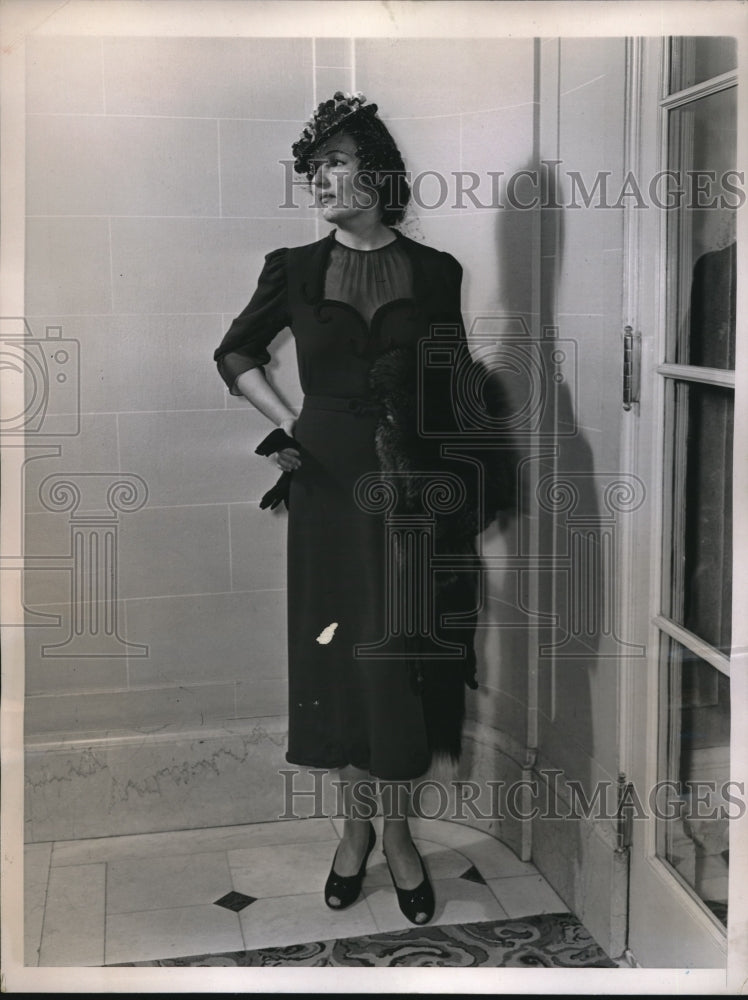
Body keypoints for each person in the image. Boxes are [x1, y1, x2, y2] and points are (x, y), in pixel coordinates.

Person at [214, 92, 513, 925]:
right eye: (312, 169)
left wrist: (460, 478)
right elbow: (233, 352)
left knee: (397, 660)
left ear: (376, 173)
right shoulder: (293, 268)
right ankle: (355, 835)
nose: (319, 180)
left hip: (408, 491)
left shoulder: (437, 272)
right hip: (327, 485)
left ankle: (400, 838)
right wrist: (289, 426)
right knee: (340, 661)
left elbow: (451, 384)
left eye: (336, 164)